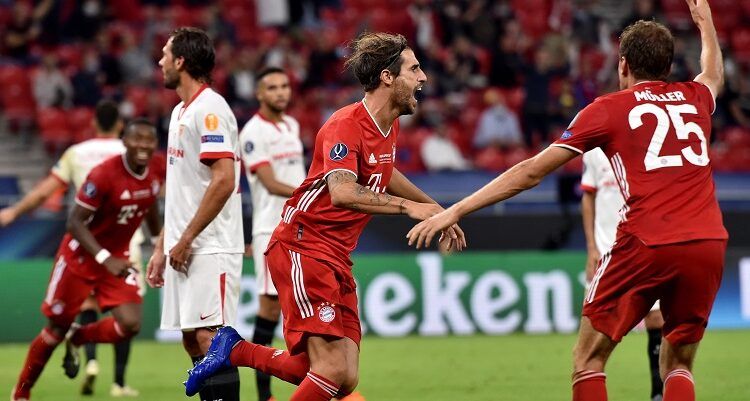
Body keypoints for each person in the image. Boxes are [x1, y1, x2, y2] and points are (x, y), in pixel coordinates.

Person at [407, 1, 724, 401]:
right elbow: (713, 72)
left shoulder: (608, 109)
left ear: (623, 64)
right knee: (678, 364)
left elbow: (531, 171)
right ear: (668, 65)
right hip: (708, 242)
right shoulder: (695, 97)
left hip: (646, 241)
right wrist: (705, 23)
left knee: (588, 360)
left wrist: (454, 210)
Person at [185, 32, 466, 401]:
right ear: (387, 77)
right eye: (414, 69)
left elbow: (386, 171)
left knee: (341, 376)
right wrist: (411, 209)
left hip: (335, 256)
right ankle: (232, 349)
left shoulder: (388, 125)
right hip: (304, 245)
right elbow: (343, 191)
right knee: (331, 370)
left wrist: (439, 211)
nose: (423, 77)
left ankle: (233, 349)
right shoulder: (344, 124)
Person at [0, 100, 144, 397]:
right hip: (123, 247)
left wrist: (14, 212)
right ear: (120, 126)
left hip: (89, 247)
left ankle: (86, 355)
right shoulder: (132, 152)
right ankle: (118, 382)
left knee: (85, 313)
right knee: (126, 320)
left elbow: (46, 190)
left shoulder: (77, 153)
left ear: (94, 123)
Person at [146, 27, 244, 401]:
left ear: (181, 61)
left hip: (210, 245)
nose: (161, 61)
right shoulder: (179, 112)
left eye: (166, 54)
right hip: (183, 246)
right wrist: (161, 245)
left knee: (211, 338)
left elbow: (223, 180)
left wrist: (185, 238)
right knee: (191, 338)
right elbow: (180, 191)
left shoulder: (211, 109)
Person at [240, 66, 306, 401]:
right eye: (273, 88)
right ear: (260, 94)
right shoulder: (252, 132)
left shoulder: (291, 125)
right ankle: (263, 393)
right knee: (268, 309)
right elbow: (267, 181)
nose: (281, 92)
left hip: (302, 226)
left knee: (298, 305)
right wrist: (310, 193)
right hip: (272, 229)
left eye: (284, 86)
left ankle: (320, 375)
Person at [581, 148, 664, 401]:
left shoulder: (646, 142)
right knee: (591, 333)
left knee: (657, 319)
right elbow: (588, 197)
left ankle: (658, 392)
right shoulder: (593, 152)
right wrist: (592, 247)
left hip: (644, 247)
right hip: (606, 252)